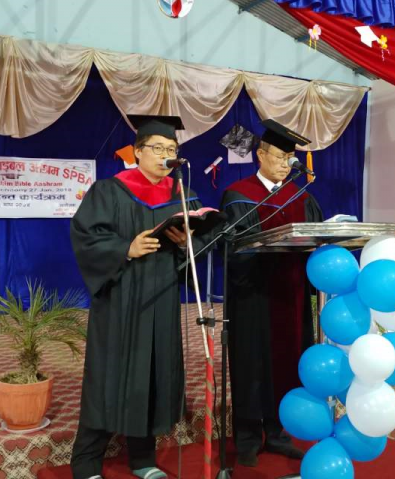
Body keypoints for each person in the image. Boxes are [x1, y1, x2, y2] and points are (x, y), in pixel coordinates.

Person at [70, 114, 210, 479]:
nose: (165, 155)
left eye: (171, 149)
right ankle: (86, 462)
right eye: (157, 148)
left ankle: (143, 459)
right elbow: (86, 237)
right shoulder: (109, 190)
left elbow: (200, 250)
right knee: (109, 375)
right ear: (137, 151)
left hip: (161, 297)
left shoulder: (181, 195)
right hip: (121, 298)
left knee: (151, 375)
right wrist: (125, 249)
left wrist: (186, 244)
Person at [221, 119, 323, 467]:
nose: (284, 164)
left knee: (287, 363)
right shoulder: (239, 195)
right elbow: (233, 250)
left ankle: (279, 433)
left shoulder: (302, 198)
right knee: (251, 364)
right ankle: (248, 437)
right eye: (279, 157)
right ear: (260, 155)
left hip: (290, 298)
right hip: (253, 297)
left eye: (289, 159)